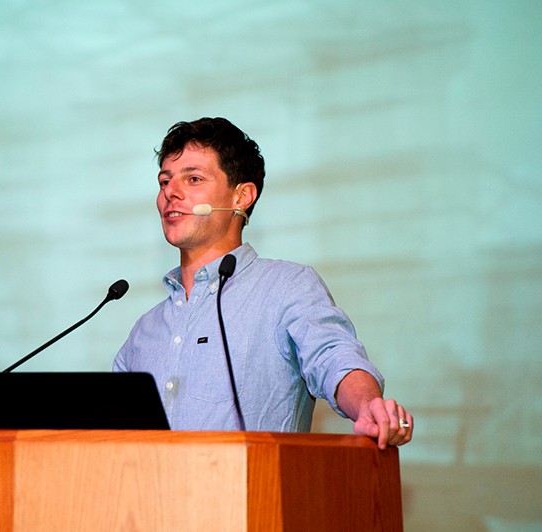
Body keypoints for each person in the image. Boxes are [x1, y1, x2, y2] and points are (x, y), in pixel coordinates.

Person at [113, 117, 413, 449]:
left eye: (193, 178)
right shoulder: (144, 330)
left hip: (252, 495)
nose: (171, 192)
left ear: (242, 196)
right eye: (164, 181)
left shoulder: (286, 287)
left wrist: (368, 405)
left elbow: (334, 357)